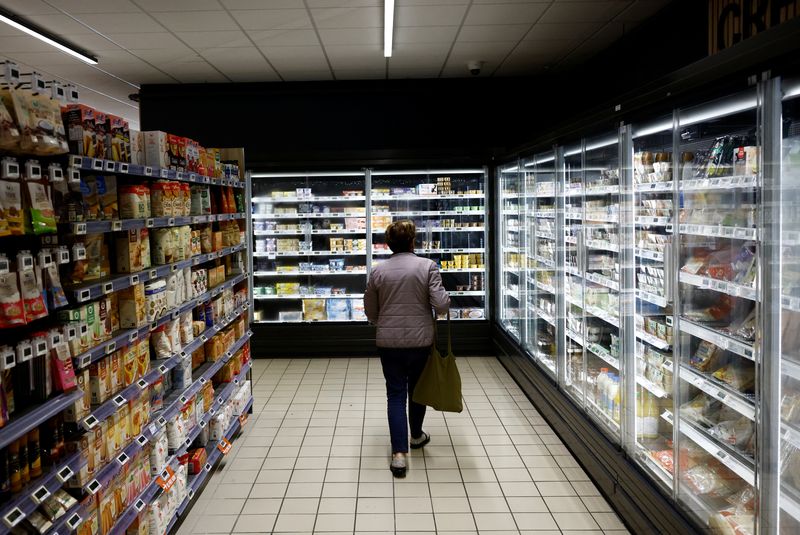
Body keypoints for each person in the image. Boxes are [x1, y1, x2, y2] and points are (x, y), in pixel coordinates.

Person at [364, 220, 450, 478]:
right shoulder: (427, 267)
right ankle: (416, 436)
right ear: (413, 242)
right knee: (417, 390)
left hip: (388, 343)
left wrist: (385, 320)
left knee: (395, 394)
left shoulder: (378, 271)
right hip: (421, 341)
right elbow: (441, 305)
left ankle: (399, 455)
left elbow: (370, 310)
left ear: (389, 244)